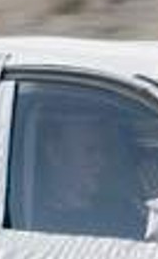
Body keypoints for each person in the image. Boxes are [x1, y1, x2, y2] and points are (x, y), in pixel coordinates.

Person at [22, 102, 147, 239]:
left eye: (103, 149)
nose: (101, 161)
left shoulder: (123, 211)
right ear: (55, 153)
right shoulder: (32, 225)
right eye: (90, 151)